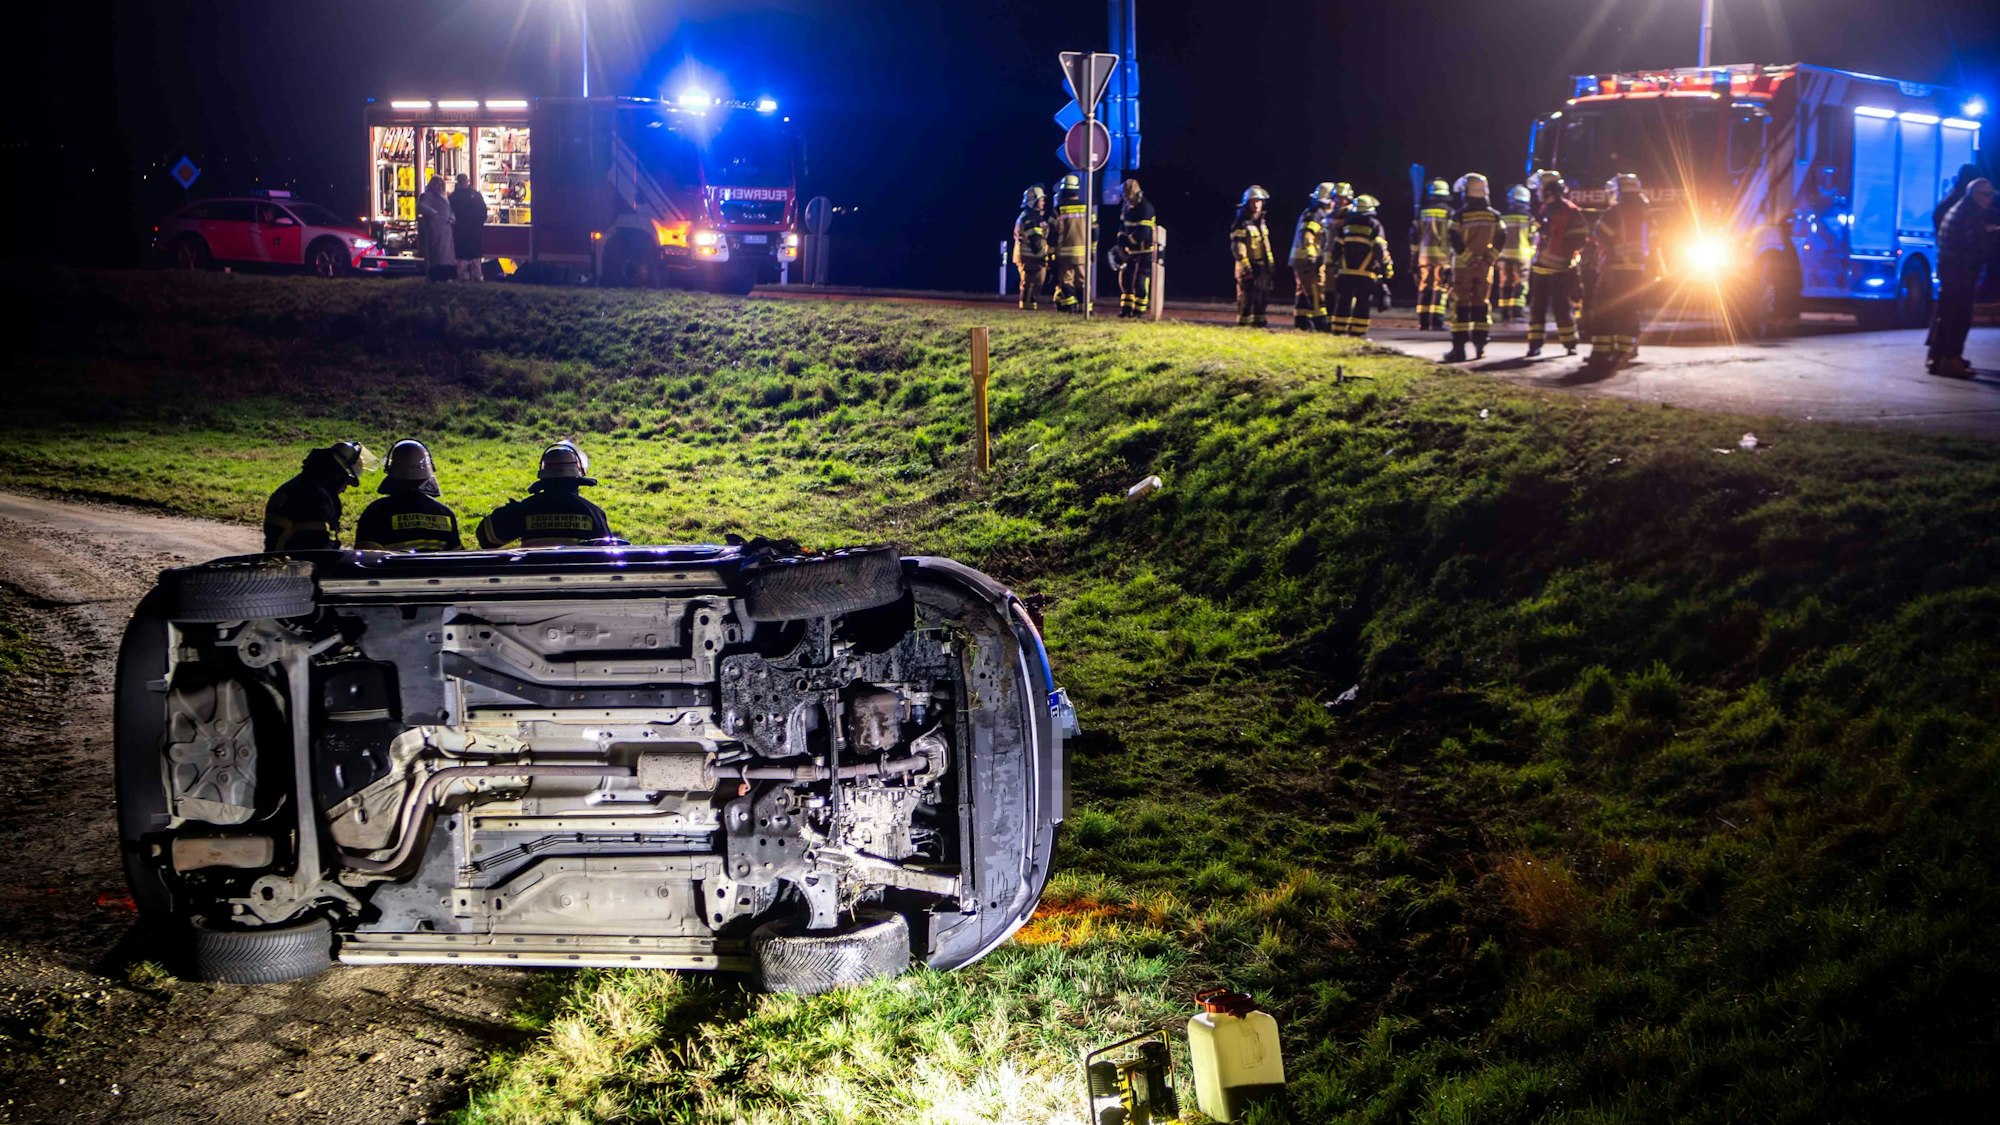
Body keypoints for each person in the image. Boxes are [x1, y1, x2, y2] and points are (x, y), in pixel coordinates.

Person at [474, 441, 613, 548]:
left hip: (533, 583)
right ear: (578, 479)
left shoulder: (526, 510)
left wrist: (513, 510)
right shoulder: (594, 513)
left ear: (543, 477)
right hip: (577, 583)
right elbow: (607, 555)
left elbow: (486, 537)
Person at [1586, 172, 1654, 369]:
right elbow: (1654, 239)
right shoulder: (1645, 212)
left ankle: (1601, 352)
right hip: (1638, 270)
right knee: (1629, 310)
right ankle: (1625, 350)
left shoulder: (1616, 211)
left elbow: (1599, 234)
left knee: (1603, 309)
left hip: (1614, 268)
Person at [1929, 177, 1995, 378]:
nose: (1990, 199)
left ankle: (1940, 359)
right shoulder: (1968, 214)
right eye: (1987, 195)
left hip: (1952, 273)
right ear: (1975, 194)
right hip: (1960, 275)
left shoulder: (1961, 209)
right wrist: (1989, 235)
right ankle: (1951, 360)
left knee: (1948, 318)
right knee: (1958, 319)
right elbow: (1970, 244)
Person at [355, 439, 462, 551]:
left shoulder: (374, 514)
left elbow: (366, 560)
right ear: (428, 471)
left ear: (390, 469)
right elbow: (456, 560)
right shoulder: (445, 514)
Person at [1525, 172, 1587, 358]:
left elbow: (1580, 237)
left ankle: (1569, 343)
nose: (1537, 192)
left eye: (1540, 189)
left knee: (1560, 307)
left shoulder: (1568, 210)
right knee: (1538, 308)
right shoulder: (1546, 209)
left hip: (1559, 269)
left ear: (1549, 190)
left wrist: (1567, 255)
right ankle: (1536, 343)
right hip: (1541, 267)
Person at [1445, 173, 1505, 362]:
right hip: (1486, 267)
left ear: (1467, 192)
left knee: (1460, 305)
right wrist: (1489, 257)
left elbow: (1453, 237)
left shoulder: (1459, 215)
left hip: (1464, 266)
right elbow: (1502, 236)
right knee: (1481, 304)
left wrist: (1469, 258)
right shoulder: (1495, 215)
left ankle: (1459, 349)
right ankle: (1480, 346)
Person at [263, 441, 365, 552]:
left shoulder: (296, 487)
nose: (344, 490)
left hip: (279, 561)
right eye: (346, 483)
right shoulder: (316, 498)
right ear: (337, 476)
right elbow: (318, 550)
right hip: (297, 566)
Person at [1330, 194, 1394, 339]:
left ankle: (1338, 332)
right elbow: (1379, 248)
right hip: (1366, 272)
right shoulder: (1374, 225)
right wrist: (1385, 268)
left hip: (1345, 272)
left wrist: (1333, 264)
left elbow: (1336, 248)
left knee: (1343, 300)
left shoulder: (1345, 225)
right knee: (1363, 302)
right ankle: (1358, 334)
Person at [1289, 182, 1338, 332]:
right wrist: (1313, 258)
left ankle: (1302, 322)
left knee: (1304, 292)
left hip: (1300, 259)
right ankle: (1321, 323)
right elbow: (1308, 238)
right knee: (1316, 291)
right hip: (1307, 260)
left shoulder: (1312, 212)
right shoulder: (1316, 214)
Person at [1229, 185, 1275, 327]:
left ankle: (1259, 325)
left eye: (1258, 201)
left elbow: (1265, 245)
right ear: (1247, 204)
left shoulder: (1261, 222)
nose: (1256, 205)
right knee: (1246, 298)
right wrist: (1246, 267)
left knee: (1262, 297)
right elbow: (1238, 248)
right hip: (1248, 266)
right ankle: (1244, 326)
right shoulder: (1241, 224)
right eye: (1253, 202)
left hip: (1262, 266)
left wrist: (1270, 265)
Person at [1410, 179, 1453, 330]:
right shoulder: (1450, 213)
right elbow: (1453, 236)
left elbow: (1414, 236)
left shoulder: (1421, 212)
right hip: (1442, 256)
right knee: (1439, 288)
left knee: (1424, 287)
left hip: (1424, 255)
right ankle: (1437, 322)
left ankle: (1423, 321)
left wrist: (1414, 257)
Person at [1051, 174, 1093, 313]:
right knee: (1083, 281)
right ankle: (1086, 309)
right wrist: (1092, 250)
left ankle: (1070, 308)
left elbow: (1052, 232)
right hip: (1083, 253)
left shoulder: (1059, 209)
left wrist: (1051, 252)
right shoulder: (1086, 207)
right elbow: (1095, 231)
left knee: (1066, 281)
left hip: (1064, 254)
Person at [1115, 179, 1157, 318]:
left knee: (1140, 281)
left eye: (1127, 195)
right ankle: (1126, 309)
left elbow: (1143, 233)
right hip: (1129, 251)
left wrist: (1129, 242)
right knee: (1126, 280)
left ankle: (1139, 311)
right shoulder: (1127, 207)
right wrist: (1121, 244)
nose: (1125, 198)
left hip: (1144, 251)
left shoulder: (1145, 207)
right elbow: (1122, 226)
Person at [1495, 184, 1536, 324]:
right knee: (1520, 284)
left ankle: (1505, 313)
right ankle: (1517, 313)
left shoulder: (1502, 216)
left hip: (1503, 255)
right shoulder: (1529, 218)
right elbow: (1533, 237)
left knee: (1504, 283)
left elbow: (1497, 235)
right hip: (1522, 255)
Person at [1012, 185, 1052, 311]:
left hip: (1034, 257)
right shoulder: (1029, 217)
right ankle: (1027, 309)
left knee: (1036, 283)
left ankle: (1030, 307)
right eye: (1041, 199)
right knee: (1030, 284)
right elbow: (1036, 241)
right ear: (1034, 201)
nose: (1044, 202)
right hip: (1029, 257)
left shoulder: (1035, 216)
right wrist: (1045, 254)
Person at [417, 176, 455, 283]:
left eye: (440, 184)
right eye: (436, 184)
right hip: (435, 229)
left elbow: (450, 209)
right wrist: (434, 214)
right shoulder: (427, 195)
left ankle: (445, 275)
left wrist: (452, 218)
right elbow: (420, 207)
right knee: (436, 254)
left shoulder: (444, 196)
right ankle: (436, 276)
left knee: (446, 255)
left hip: (446, 230)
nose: (439, 186)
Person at [451, 174, 487, 283]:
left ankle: (462, 277)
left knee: (462, 257)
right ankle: (477, 276)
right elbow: (483, 213)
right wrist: (478, 224)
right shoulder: (476, 196)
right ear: (468, 181)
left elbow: (449, 214)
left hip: (460, 231)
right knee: (475, 256)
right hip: (475, 231)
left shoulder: (453, 197)